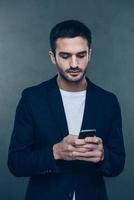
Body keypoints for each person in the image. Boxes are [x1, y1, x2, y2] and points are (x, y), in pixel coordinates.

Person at [8, 20, 125, 200]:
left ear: (89, 54)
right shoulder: (32, 99)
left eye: (80, 55)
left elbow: (118, 163)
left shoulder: (108, 102)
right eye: (65, 56)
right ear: (53, 57)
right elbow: (16, 163)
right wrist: (54, 152)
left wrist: (103, 156)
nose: (74, 64)